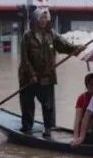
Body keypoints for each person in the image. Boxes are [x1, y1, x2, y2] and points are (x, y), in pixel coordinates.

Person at [18, 7, 82, 138]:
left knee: (48, 105)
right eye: (41, 17)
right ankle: (27, 127)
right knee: (27, 104)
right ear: (36, 19)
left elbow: (65, 46)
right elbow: (25, 59)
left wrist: (77, 48)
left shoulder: (52, 34)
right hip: (28, 78)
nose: (43, 20)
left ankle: (48, 128)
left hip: (46, 76)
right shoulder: (27, 36)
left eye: (45, 18)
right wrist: (32, 75)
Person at [73, 73, 93, 143]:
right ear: (87, 86)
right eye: (92, 85)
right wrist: (76, 137)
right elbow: (77, 119)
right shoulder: (82, 98)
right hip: (85, 130)